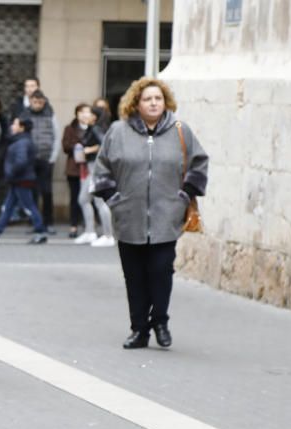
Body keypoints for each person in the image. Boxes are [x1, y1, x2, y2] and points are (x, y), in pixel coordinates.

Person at [91, 77, 208, 349]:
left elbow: (199, 164)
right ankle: (139, 329)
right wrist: (114, 200)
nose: (153, 103)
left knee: (161, 271)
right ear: (136, 103)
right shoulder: (118, 132)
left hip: (167, 216)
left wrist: (184, 196)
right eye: (147, 99)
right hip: (128, 216)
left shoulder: (181, 130)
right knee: (134, 276)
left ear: (165, 102)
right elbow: (102, 169)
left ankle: (161, 321)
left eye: (158, 98)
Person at [0, 115, 47, 244]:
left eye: (15, 124)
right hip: (18, 179)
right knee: (8, 206)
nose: (11, 127)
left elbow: (21, 161)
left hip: (22, 179)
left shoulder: (22, 142)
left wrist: (10, 172)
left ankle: (40, 231)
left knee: (29, 206)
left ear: (22, 127)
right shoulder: (20, 141)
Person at [76, 105, 114, 247]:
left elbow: (103, 144)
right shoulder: (92, 128)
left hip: (97, 168)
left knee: (98, 201)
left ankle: (108, 235)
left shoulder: (97, 128)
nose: (86, 115)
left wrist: (88, 149)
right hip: (91, 167)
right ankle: (90, 232)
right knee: (84, 199)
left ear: (95, 116)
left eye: (89, 113)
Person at [23, 89, 60, 232]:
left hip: (46, 159)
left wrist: (53, 157)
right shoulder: (25, 114)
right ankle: (35, 223)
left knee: (47, 192)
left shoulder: (50, 114)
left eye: (40, 102)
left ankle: (48, 223)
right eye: (34, 102)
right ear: (30, 101)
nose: (37, 104)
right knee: (32, 193)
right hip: (30, 160)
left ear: (44, 102)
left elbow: (56, 136)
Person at [61, 103, 88, 239]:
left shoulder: (94, 129)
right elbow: (65, 146)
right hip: (74, 169)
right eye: (81, 112)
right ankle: (74, 225)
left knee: (89, 199)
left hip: (89, 168)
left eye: (87, 112)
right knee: (75, 198)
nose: (84, 115)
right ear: (77, 114)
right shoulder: (70, 128)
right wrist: (77, 147)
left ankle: (88, 226)